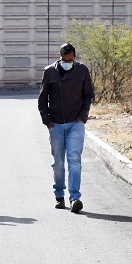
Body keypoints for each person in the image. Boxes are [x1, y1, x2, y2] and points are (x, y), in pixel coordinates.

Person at [38, 43, 94, 213]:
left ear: (74, 57)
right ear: (60, 57)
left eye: (69, 60)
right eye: (64, 60)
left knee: (74, 160)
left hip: (75, 124)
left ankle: (75, 197)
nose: (66, 62)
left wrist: (83, 116)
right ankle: (59, 195)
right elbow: (42, 98)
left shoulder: (82, 71)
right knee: (58, 163)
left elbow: (88, 95)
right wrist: (47, 120)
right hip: (55, 125)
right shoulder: (50, 72)